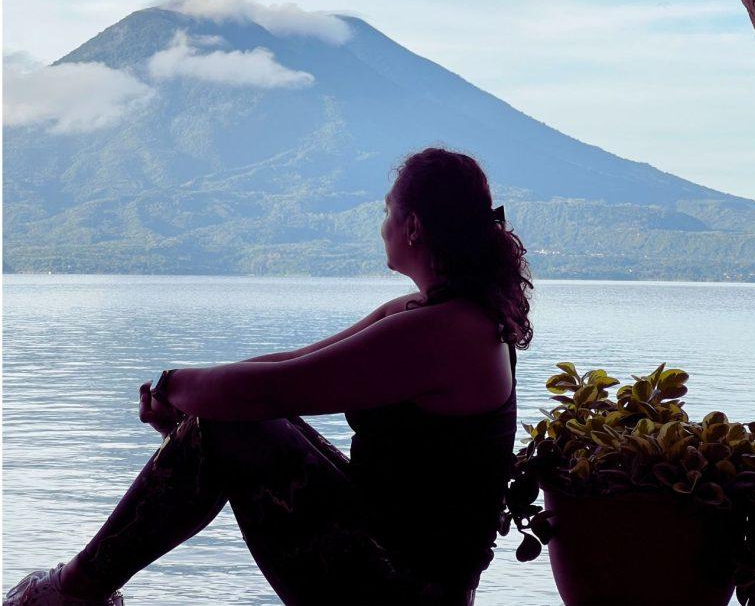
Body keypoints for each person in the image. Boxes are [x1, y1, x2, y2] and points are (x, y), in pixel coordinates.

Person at [4, 147, 534, 606]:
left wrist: (173, 386)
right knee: (231, 420)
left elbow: (276, 388)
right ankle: (79, 590)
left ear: (413, 226)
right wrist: (194, 400)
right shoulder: (431, 313)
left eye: (387, 211)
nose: (382, 224)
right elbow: (289, 364)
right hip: (387, 555)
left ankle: (71, 593)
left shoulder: (445, 331)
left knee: (234, 422)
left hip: (407, 587)